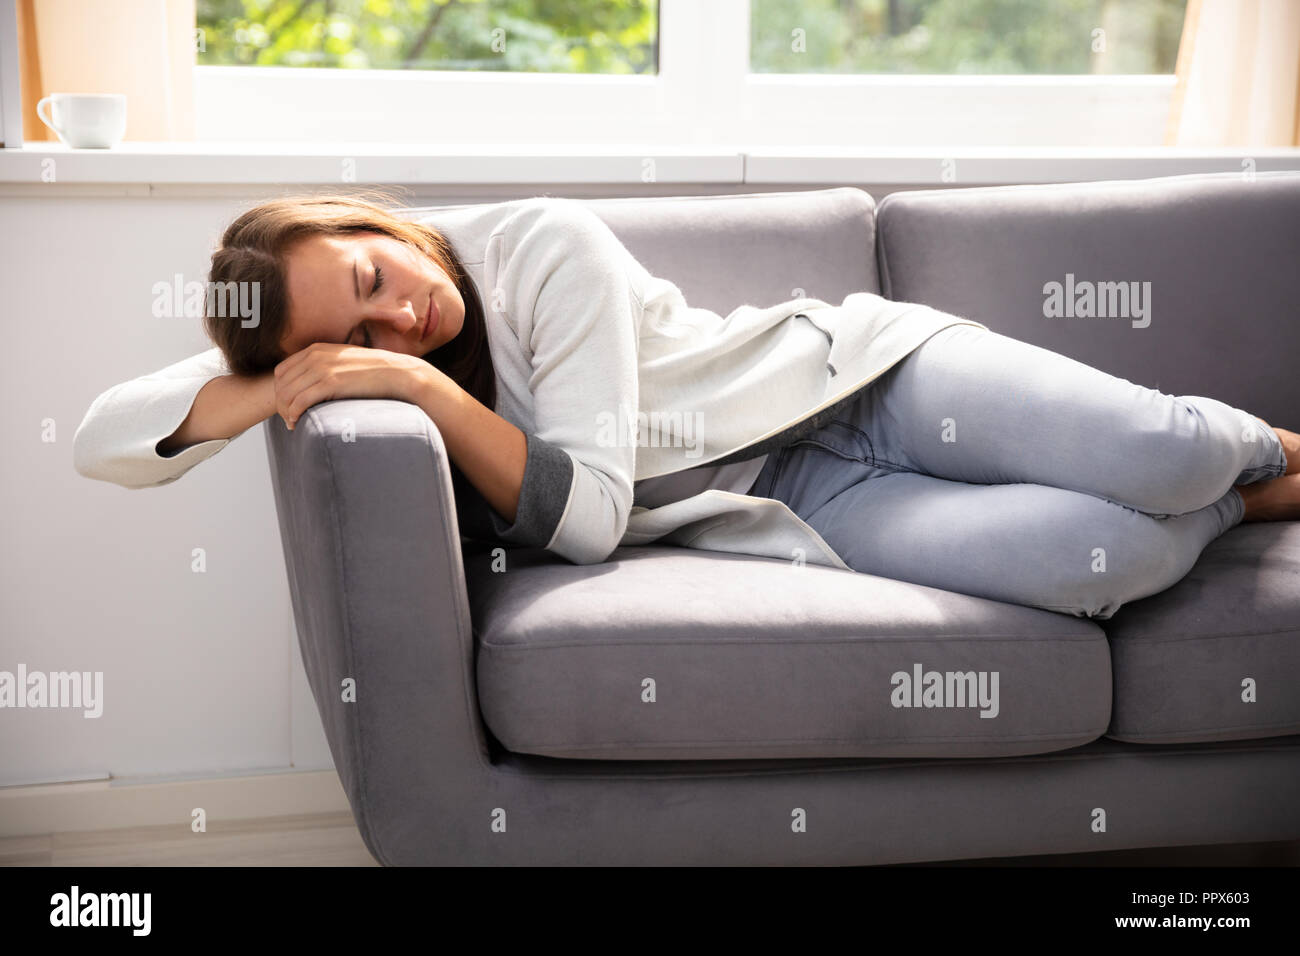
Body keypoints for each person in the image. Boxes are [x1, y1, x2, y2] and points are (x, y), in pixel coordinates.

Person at [74, 192, 1298, 620]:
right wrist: (240, 387)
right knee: (1106, 558)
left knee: (1155, 446)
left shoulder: (536, 249)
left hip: (864, 379)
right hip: (813, 501)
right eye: (352, 338)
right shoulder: (393, 374)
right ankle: (1242, 504)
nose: (403, 320)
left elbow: (592, 511)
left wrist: (397, 381)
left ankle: (1262, 454)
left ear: (364, 219)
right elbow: (100, 445)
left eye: (372, 276)